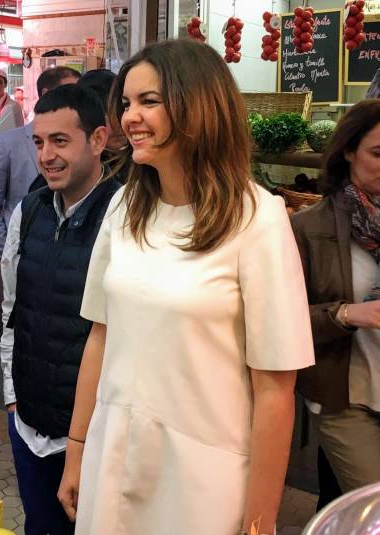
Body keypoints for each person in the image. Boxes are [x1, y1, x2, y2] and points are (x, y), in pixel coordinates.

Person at [57, 39, 315, 534]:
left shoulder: (258, 218)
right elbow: (100, 335)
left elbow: (276, 387)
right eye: (127, 103)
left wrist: (260, 520)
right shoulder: (123, 207)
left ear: (198, 105)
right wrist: (77, 450)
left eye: (149, 101)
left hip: (202, 477)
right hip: (112, 454)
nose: (130, 116)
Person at [0, 83, 117, 534]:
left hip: (93, 434)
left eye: (60, 141)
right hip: (29, 424)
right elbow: (11, 307)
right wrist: (12, 398)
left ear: (99, 140)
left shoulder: (125, 215)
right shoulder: (28, 211)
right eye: (39, 142)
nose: (46, 155)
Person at [291, 99, 380, 494]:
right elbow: (281, 322)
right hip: (347, 397)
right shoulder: (309, 228)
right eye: (378, 153)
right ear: (348, 151)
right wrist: (346, 315)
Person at [0, 66, 81, 257]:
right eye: (70, 94)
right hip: (25, 255)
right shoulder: (9, 143)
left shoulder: (82, 143)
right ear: (47, 95)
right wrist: (10, 252)